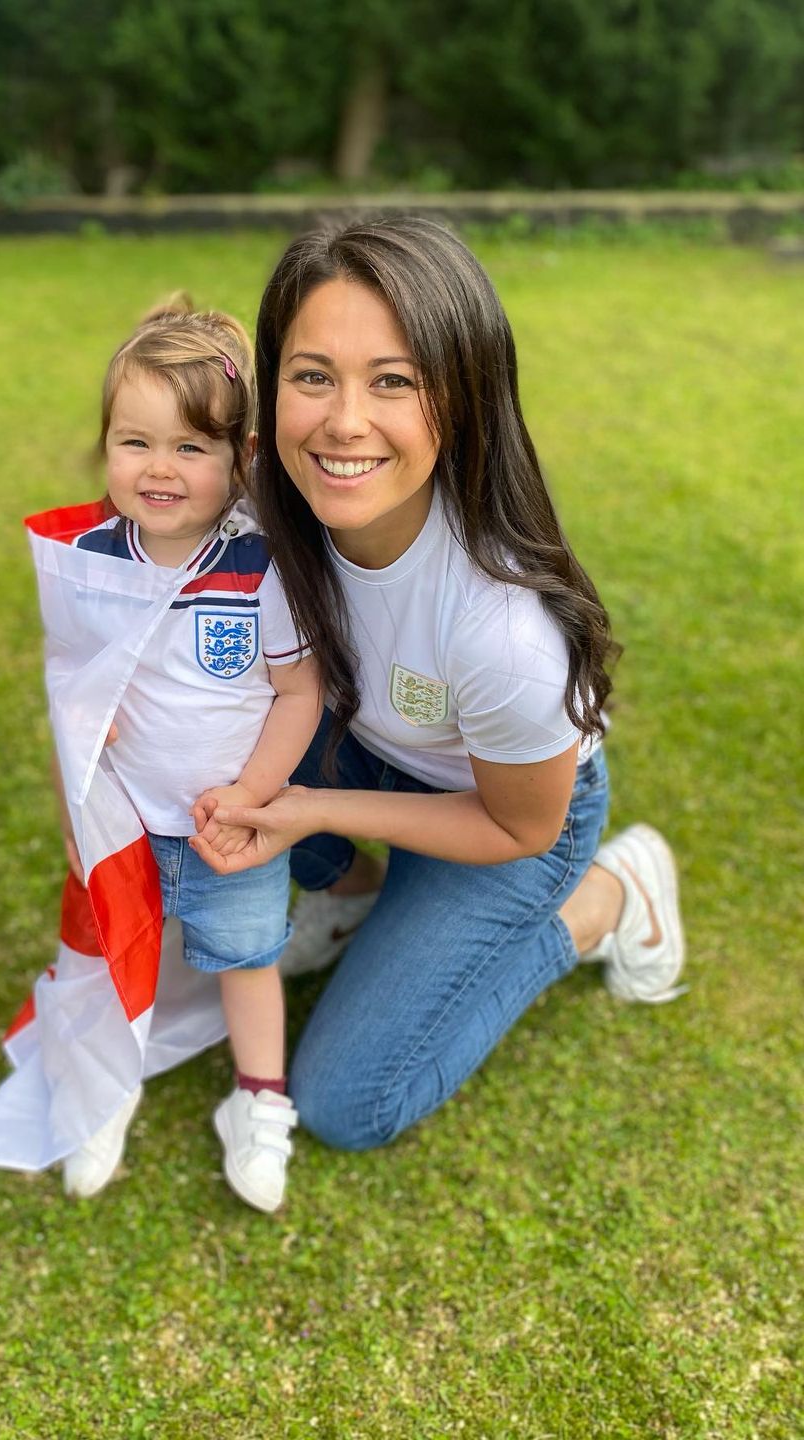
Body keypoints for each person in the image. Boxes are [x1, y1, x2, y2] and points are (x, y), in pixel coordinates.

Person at [190, 216, 686, 1152]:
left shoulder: (503, 630)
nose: (343, 422)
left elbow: (516, 826)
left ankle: (613, 898)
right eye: (311, 376)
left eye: (393, 381)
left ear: (460, 399)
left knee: (346, 1103)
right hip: (370, 749)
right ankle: (360, 897)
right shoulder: (267, 496)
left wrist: (311, 810)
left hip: (504, 819)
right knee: (202, 697)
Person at [53, 297, 321, 1209]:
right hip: (125, 819)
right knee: (115, 958)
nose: (159, 469)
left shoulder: (262, 569)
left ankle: (257, 1100)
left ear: (239, 460)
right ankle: (103, 1085)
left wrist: (252, 795)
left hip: (230, 826)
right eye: (135, 442)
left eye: (190, 448)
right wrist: (81, 769)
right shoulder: (89, 558)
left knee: (247, 960)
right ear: (105, 448)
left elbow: (299, 692)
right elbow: (73, 689)